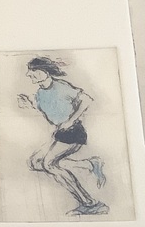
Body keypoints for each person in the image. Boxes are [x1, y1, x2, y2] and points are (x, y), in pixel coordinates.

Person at [17, 56, 108, 216]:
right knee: (35, 162)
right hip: (59, 134)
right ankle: (89, 164)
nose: (29, 74)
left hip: (73, 132)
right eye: (30, 71)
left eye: (34, 71)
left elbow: (86, 100)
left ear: (46, 72)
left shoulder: (61, 86)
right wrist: (30, 105)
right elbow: (51, 112)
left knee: (50, 164)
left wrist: (70, 121)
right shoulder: (40, 94)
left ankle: (90, 204)